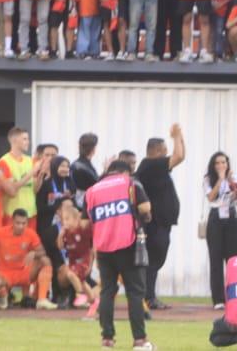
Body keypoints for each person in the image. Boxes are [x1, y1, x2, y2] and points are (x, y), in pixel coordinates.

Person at [88, 159, 155, 351]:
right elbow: (145, 209)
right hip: (128, 244)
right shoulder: (130, 184)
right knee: (135, 293)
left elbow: (89, 219)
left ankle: (107, 340)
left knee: (107, 292)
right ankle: (140, 341)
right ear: (124, 172)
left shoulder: (94, 189)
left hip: (103, 247)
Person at [136, 123, 184, 309]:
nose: (167, 154)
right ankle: (148, 297)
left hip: (162, 222)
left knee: (156, 260)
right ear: (157, 151)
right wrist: (177, 137)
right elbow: (178, 156)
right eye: (164, 150)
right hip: (155, 223)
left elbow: (181, 155)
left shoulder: (156, 167)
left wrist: (180, 137)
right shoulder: (151, 165)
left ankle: (149, 296)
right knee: (153, 260)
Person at [203, 152, 237, 309]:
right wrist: (220, 180)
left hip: (231, 218)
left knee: (233, 259)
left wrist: (234, 185)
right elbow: (211, 197)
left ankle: (233, 295)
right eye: (217, 163)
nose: (221, 166)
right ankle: (218, 299)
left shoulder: (234, 178)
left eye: (224, 162)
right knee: (215, 259)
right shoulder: (208, 179)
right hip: (215, 219)